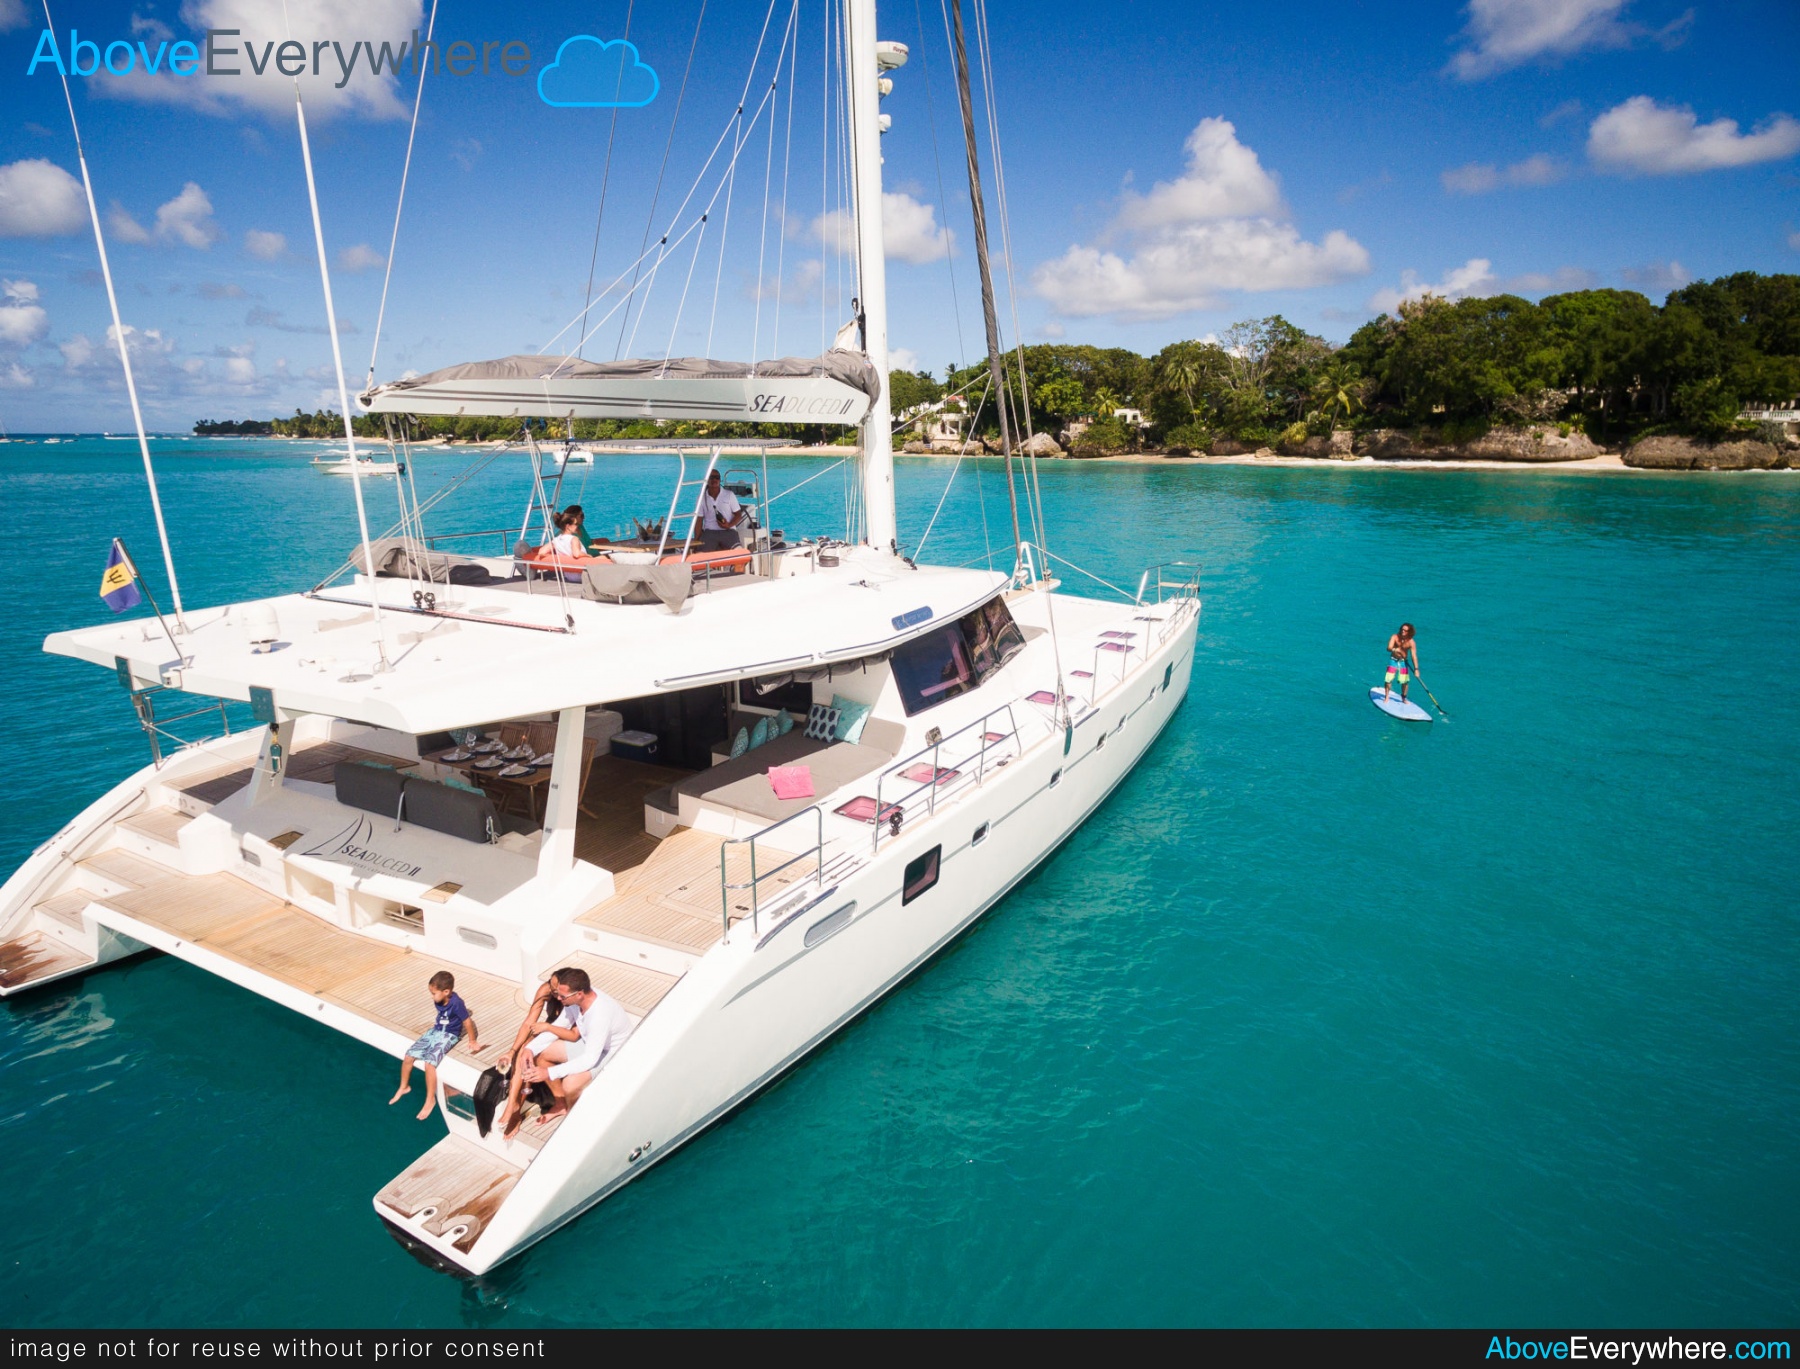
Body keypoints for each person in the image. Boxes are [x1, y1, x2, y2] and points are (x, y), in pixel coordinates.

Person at [499, 967, 633, 1136]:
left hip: (613, 1053)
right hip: (591, 1044)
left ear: (579, 994)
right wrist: (530, 1049)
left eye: (562, 996)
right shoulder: (575, 1001)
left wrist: (548, 1072)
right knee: (542, 1054)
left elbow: (590, 1059)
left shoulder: (599, 1014)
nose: (558, 998)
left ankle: (574, 1121)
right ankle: (562, 1104)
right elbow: (560, 1025)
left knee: (570, 1084)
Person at [390, 970, 483, 1121]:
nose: (432, 997)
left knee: (430, 1063)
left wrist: (472, 1040)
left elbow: (467, 1022)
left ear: (446, 992)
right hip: (436, 1030)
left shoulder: (457, 1003)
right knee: (409, 1055)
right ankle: (404, 1087)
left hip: (449, 1035)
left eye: (434, 993)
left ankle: (430, 1100)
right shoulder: (441, 998)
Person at [695, 470, 747, 551]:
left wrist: (728, 525)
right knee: (700, 557)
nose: (714, 480)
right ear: (707, 480)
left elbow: (738, 515)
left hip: (729, 531)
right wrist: (696, 541)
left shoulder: (729, 495)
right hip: (710, 533)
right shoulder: (701, 498)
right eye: (711, 477)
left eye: (717, 477)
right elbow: (698, 521)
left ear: (720, 480)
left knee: (740, 556)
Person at [1383, 622, 1420, 704]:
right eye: (1402, 629)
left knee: (1405, 681)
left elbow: (1414, 656)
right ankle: (1386, 696)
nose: (1403, 631)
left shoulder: (1411, 642)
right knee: (1388, 679)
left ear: (1409, 632)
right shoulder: (1395, 637)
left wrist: (1416, 669)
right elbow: (1388, 648)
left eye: (1405, 630)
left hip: (1403, 662)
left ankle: (1403, 698)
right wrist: (1395, 650)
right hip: (1393, 660)